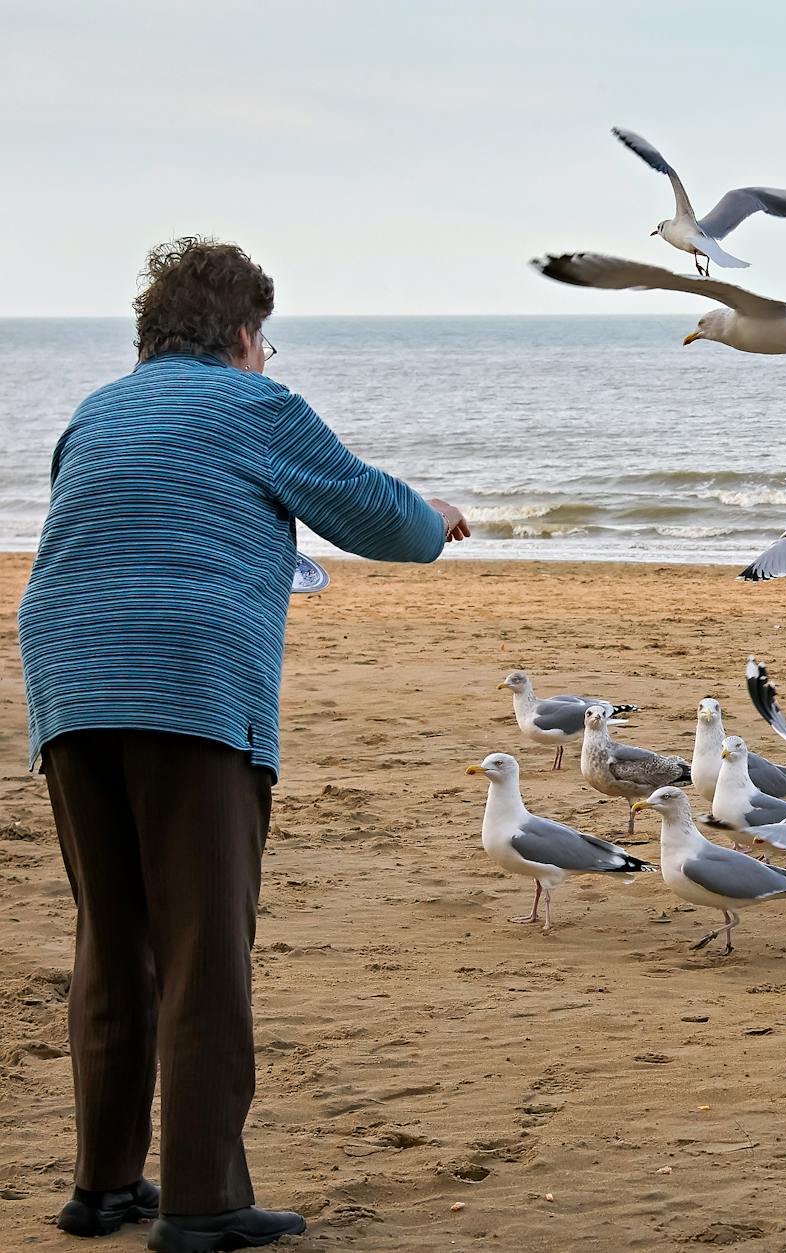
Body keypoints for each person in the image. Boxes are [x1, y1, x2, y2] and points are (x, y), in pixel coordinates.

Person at [17, 238, 470, 1251]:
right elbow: (375, 515)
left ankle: (102, 1185)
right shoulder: (252, 403)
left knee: (113, 933)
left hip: (71, 680)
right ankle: (202, 1201)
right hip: (183, 682)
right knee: (204, 946)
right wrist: (436, 518)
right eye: (264, 338)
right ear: (243, 332)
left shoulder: (99, 408)